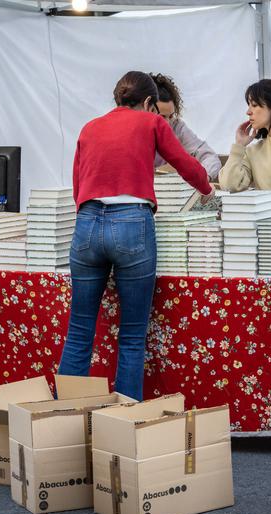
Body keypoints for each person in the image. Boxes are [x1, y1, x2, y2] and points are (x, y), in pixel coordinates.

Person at [57, 71, 213, 401]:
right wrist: (207, 189)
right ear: (147, 102)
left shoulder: (90, 127)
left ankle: (61, 421)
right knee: (131, 333)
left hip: (86, 223)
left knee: (80, 328)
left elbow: (77, 182)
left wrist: (89, 216)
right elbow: (186, 164)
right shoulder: (151, 123)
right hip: (132, 225)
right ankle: (124, 423)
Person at [151, 73, 222, 180]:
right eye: (161, 117)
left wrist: (202, 178)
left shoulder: (177, 127)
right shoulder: (129, 133)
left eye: (171, 116)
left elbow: (209, 156)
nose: (168, 123)